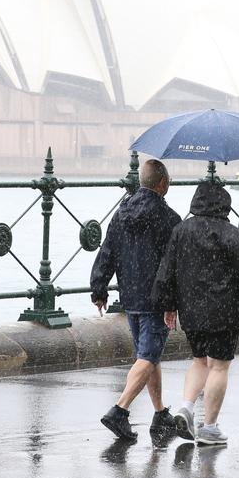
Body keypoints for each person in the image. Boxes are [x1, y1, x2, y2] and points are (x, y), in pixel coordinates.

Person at [152, 179, 239, 446]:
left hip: (191, 311)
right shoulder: (232, 234)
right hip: (223, 311)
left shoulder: (181, 230)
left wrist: (168, 305)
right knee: (218, 366)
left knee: (198, 361)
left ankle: (186, 407)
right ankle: (209, 428)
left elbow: (166, 271)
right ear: (225, 205)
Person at [91, 158, 183, 440]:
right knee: (148, 356)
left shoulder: (122, 213)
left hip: (129, 296)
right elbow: (171, 267)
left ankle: (159, 414)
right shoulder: (169, 219)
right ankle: (119, 411)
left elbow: (107, 251)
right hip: (155, 300)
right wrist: (172, 303)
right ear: (163, 184)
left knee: (149, 356)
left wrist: (99, 288)